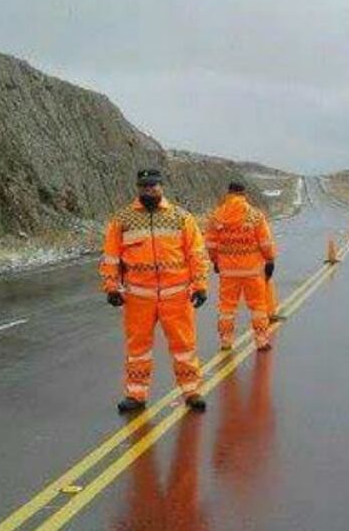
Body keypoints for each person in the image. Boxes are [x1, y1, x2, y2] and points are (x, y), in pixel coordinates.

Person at [100, 169, 209, 413]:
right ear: (138, 188)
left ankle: (192, 391)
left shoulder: (181, 217)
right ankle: (135, 395)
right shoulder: (123, 220)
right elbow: (111, 256)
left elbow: (196, 254)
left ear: (161, 187)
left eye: (153, 186)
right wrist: (111, 286)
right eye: (144, 187)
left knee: (184, 346)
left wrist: (200, 285)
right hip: (138, 298)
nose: (149, 191)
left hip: (176, 296)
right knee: (137, 349)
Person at [205, 182, 277, 351]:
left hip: (228, 271)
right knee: (258, 306)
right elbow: (265, 242)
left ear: (228, 193)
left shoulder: (217, 216)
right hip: (252, 271)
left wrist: (215, 261)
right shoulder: (255, 215)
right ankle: (261, 340)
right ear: (244, 194)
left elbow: (210, 243)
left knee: (226, 308)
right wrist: (270, 259)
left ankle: (226, 341)